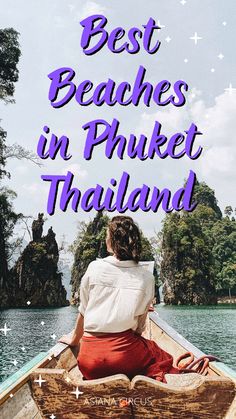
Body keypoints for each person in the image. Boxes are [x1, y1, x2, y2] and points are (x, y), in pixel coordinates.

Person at [60, 215, 179, 382]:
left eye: (108, 236)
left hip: (89, 363)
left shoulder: (94, 268)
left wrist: (74, 340)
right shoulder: (146, 277)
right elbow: (138, 328)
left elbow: (83, 312)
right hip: (124, 360)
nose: (106, 239)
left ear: (112, 242)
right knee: (158, 354)